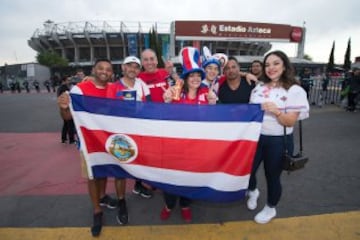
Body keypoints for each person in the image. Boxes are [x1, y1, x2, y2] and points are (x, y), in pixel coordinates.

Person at [58, 59, 125, 237]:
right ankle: (97, 211)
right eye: (101, 68)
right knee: (93, 176)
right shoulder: (80, 89)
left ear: (112, 73)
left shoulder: (114, 89)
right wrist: (63, 107)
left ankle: (102, 197)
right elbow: (67, 117)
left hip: (109, 141)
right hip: (89, 143)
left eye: (108, 70)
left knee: (103, 171)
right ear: (94, 69)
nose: (104, 72)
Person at [247, 50, 309, 224]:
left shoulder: (295, 90)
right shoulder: (259, 87)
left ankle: (270, 207)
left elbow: (289, 122)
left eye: (276, 63)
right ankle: (252, 190)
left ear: (284, 66)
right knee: (247, 170)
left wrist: (276, 111)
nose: (271, 68)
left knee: (272, 176)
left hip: (278, 141)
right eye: (267, 64)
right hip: (256, 138)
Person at [161, 47, 217, 223]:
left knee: (189, 177)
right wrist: (166, 101)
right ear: (185, 77)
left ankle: (185, 204)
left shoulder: (207, 93)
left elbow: (213, 121)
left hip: (196, 146)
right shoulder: (176, 90)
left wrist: (213, 106)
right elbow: (166, 114)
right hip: (175, 145)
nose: (195, 78)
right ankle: (169, 204)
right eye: (191, 75)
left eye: (198, 76)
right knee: (170, 176)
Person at [132, 49, 172, 198]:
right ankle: (138, 183)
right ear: (142, 62)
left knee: (160, 153)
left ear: (157, 60)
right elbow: (118, 84)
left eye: (152, 59)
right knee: (143, 153)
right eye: (146, 59)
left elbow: (184, 82)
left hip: (164, 122)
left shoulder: (165, 73)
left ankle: (156, 180)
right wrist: (89, 78)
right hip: (145, 123)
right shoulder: (137, 77)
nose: (149, 62)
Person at [57, 75, 76, 144]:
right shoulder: (64, 88)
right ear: (64, 81)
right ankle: (71, 140)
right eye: (68, 80)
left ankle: (64, 138)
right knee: (70, 123)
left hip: (62, 108)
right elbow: (67, 97)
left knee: (65, 123)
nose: (69, 81)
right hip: (66, 108)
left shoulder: (60, 88)